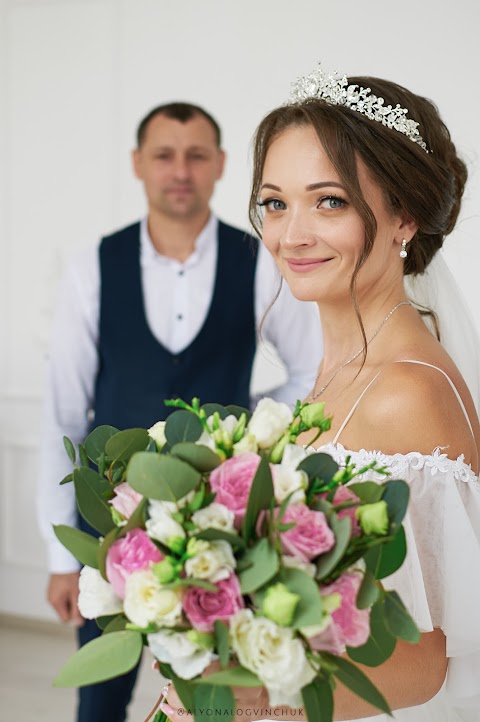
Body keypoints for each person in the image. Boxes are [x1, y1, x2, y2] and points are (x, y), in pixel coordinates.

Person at [162, 69, 480, 721]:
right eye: (276, 202)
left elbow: (422, 666)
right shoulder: (339, 370)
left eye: (329, 201)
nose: (291, 235)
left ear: (406, 215)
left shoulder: (405, 392)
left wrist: (251, 698)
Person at [37, 101, 323, 722]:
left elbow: (310, 369)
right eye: (164, 154)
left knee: (216, 692)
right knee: (101, 697)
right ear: (139, 164)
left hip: (220, 524)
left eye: (196, 155)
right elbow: (62, 411)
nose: (180, 170)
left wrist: (250, 428)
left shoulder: (258, 261)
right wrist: (64, 558)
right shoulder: (94, 267)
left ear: (219, 165)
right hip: (111, 526)